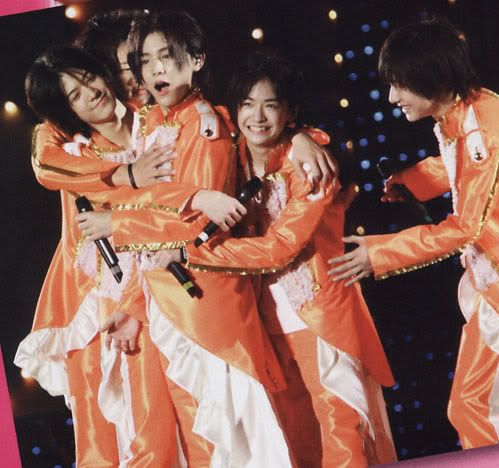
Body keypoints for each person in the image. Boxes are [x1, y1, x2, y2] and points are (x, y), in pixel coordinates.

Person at [328, 18, 499, 449]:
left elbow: (465, 226)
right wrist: (413, 181)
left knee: (475, 407)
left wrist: (379, 253)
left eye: (399, 84)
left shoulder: (481, 128)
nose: (392, 97)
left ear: (430, 75)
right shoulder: (466, 112)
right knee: (472, 405)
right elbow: (462, 168)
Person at [79, 11, 336, 467]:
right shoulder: (156, 122)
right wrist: (135, 306)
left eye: (166, 57)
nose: (154, 70)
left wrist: (117, 224)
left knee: (231, 439)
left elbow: (195, 227)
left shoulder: (205, 126)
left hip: (207, 302)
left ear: (196, 60)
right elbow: (160, 232)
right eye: (145, 61)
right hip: (169, 300)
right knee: (201, 439)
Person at [175, 51, 397, 467]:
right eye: (247, 104)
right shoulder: (230, 156)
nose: (257, 117)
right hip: (261, 324)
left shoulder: (312, 165)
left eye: (270, 105)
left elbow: (281, 247)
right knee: (293, 440)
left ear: (290, 111)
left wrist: (201, 253)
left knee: (342, 432)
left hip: (320, 315)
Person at [15, 45, 180, 467]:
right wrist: (126, 175)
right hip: (103, 297)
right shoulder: (72, 148)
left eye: (89, 79)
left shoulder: (153, 121)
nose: (90, 93)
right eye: (74, 94)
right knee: (120, 425)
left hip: (172, 282)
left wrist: (303, 136)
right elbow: (43, 164)